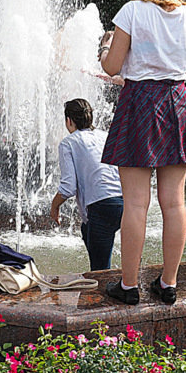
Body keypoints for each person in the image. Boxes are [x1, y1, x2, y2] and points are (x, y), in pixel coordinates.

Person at [99, 0, 186, 305]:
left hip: (140, 102)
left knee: (136, 204)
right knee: (174, 203)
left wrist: (104, 51)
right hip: (176, 101)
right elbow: (184, 71)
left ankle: (129, 286)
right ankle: (169, 283)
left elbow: (113, 67)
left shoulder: (132, 11)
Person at [50, 98, 123, 271]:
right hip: (125, 202)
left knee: (99, 271)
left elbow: (68, 187)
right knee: (86, 228)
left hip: (101, 206)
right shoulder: (105, 136)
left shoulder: (68, 143)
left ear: (69, 121)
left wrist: (54, 207)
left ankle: (101, 295)